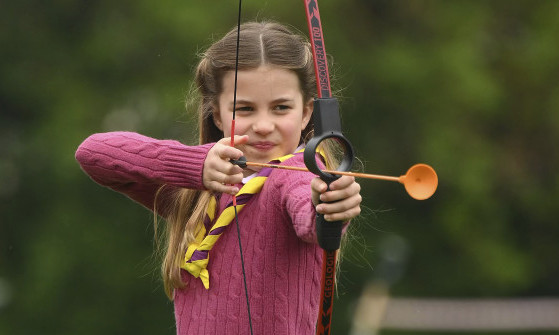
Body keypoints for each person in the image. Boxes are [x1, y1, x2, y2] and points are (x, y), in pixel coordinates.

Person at [75, 21, 361, 335]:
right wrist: (195, 165)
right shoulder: (196, 191)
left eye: (281, 108)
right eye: (245, 108)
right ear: (217, 114)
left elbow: (309, 212)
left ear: (307, 113)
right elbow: (93, 154)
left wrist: (328, 203)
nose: (264, 125)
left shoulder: (296, 175)